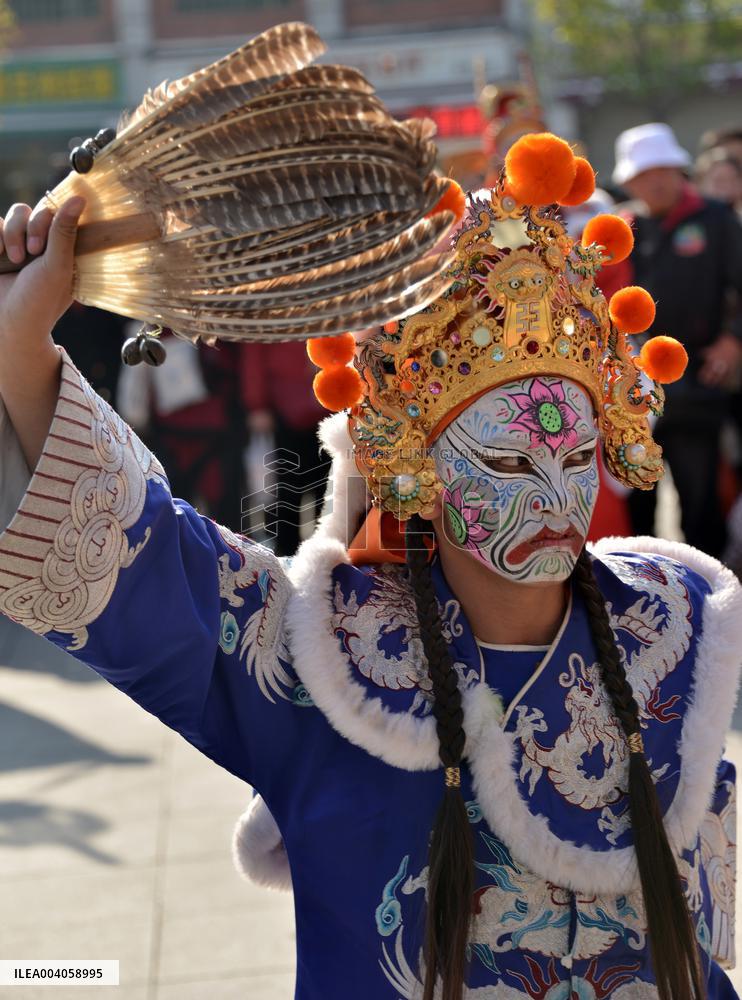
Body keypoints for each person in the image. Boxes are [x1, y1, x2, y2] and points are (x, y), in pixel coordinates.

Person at [0, 135, 741, 1000]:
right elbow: (133, 548)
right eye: (506, 464)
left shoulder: (674, 627)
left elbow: (704, 935)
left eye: (577, 458)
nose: (553, 499)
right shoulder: (321, 657)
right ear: (413, 461)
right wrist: (19, 350)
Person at [611, 122, 742, 557]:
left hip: (698, 381)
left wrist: (733, 340)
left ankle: (715, 594)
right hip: (631, 394)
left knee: (701, 502)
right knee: (638, 508)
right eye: (643, 174)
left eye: (663, 170)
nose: (655, 181)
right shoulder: (620, 229)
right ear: (628, 180)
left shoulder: (716, 219)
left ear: (680, 169)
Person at [241, 342, 330, 556]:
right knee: (286, 494)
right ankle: (284, 556)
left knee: (326, 493)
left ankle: (326, 556)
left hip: (325, 409)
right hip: (285, 411)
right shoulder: (272, 313)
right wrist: (257, 404)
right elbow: (254, 357)